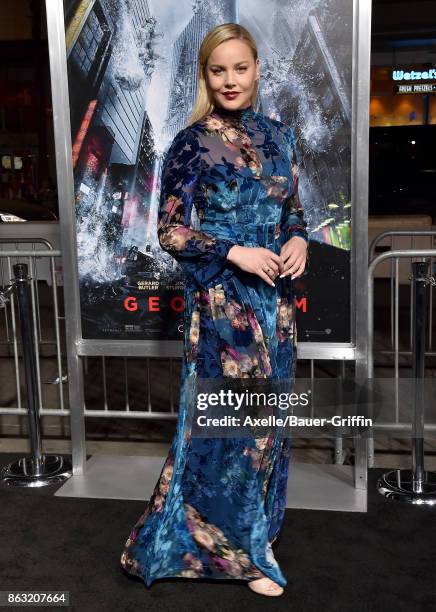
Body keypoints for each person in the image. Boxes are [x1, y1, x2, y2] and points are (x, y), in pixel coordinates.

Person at [120, 22, 309, 597]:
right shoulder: (191, 142)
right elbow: (170, 233)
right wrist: (234, 251)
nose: (229, 80)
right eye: (217, 70)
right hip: (225, 308)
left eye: (239, 68)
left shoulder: (282, 137)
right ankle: (239, 552)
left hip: (276, 306)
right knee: (233, 431)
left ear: (256, 69)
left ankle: (258, 535)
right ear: (205, 75)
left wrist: (298, 238)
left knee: (269, 427)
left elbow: (293, 211)